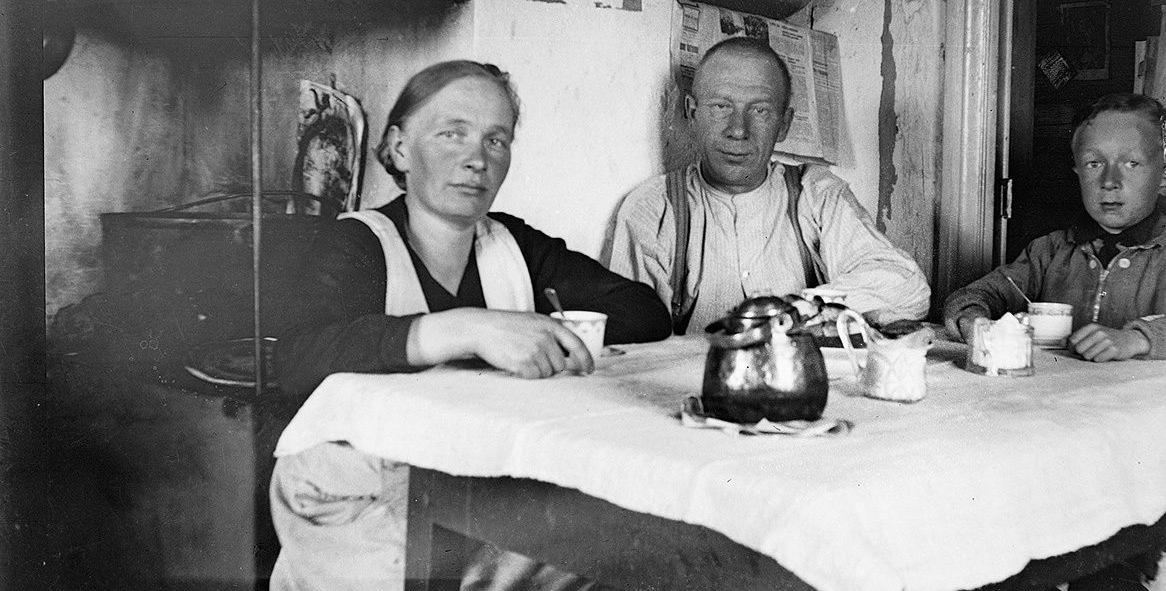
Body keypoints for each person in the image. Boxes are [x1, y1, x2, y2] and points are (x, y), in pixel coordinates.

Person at [270, 60, 670, 591]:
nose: (477, 159)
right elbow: (297, 358)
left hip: (474, 483)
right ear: (400, 148)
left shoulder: (515, 246)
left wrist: (537, 333)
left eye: (495, 140)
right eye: (452, 134)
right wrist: (465, 329)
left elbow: (644, 311)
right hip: (356, 496)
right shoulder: (358, 243)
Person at [607, 36, 930, 335]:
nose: (738, 130)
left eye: (760, 111)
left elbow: (906, 286)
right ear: (692, 113)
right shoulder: (655, 208)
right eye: (721, 107)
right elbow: (631, 336)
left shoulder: (815, 194)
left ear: (784, 124)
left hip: (799, 372)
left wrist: (800, 309)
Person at [945, 93, 1166, 362]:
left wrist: (1139, 339)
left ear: (1163, 174)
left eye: (1132, 163)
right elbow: (975, 295)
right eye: (1094, 164)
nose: (1110, 181)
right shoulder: (1049, 251)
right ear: (1078, 173)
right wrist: (972, 318)